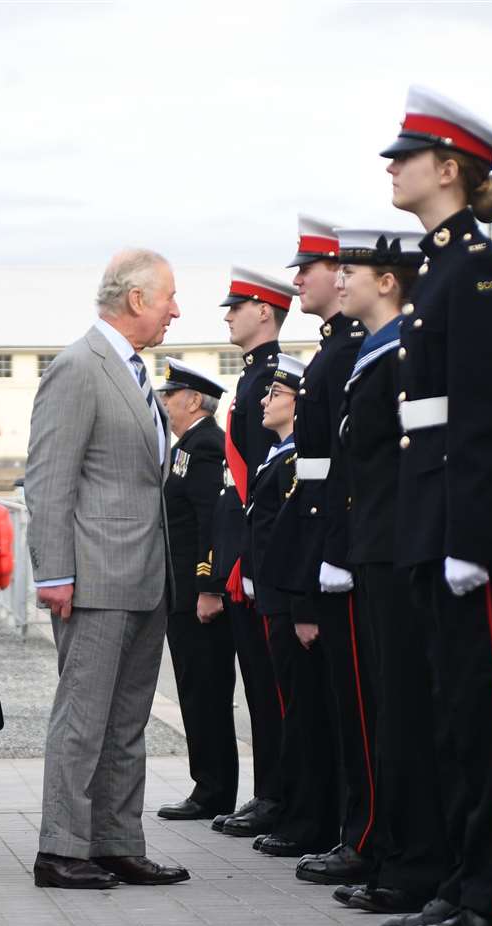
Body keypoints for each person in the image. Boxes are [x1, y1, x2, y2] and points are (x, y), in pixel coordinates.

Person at [380, 86, 492, 926]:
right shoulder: (439, 267)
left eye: (405, 157)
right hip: (434, 514)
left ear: (449, 169)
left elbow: (482, 414)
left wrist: (468, 539)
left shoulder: (476, 267)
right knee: (455, 717)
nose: (392, 168)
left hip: (471, 522)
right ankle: (463, 883)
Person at [25, 249, 188, 890]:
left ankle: (117, 841)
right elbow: (48, 479)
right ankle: (60, 849)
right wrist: (53, 572)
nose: (177, 309)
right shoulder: (78, 367)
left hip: (145, 574)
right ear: (139, 300)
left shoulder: (134, 371)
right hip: (93, 577)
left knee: (127, 720)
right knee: (83, 717)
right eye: (170, 297)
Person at [329, 227, 446, 920]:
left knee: (406, 711)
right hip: (372, 548)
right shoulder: (368, 356)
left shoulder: (402, 352)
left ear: (388, 281)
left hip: (399, 548)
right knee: (385, 712)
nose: (339, 280)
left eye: (353, 269)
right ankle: (398, 857)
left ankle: (416, 863)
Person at [269, 216, 379, 888]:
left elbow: (334, 483)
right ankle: (348, 826)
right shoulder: (334, 353)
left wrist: (310, 585)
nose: (301, 279)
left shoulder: (346, 355)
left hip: (343, 558)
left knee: (357, 713)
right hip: (323, 558)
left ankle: (358, 831)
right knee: (339, 712)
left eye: (311, 268)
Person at [208, 266, 296, 839]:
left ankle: (280, 795)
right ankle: (270, 792)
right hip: (247, 550)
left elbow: (268, 482)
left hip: (261, 551)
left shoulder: (272, 378)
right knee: (259, 688)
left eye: (237, 306)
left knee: (273, 688)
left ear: (264, 311)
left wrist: (247, 559)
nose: (228, 314)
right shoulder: (250, 380)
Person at [245, 351, 340, 860]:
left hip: (291, 603)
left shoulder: (299, 460)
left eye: (277, 394)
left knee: (303, 716)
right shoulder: (276, 457)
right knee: (292, 712)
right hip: (276, 602)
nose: (266, 399)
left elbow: (306, 535)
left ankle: (308, 819)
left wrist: (302, 605)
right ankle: (298, 811)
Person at [154, 360, 239, 821]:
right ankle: (208, 784)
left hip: (198, 596)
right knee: (194, 688)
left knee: (205, 690)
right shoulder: (188, 444)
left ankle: (213, 789)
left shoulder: (205, 445)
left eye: (171, 395)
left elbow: (212, 521)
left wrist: (209, 588)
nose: (165, 402)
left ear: (192, 400)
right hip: (182, 593)